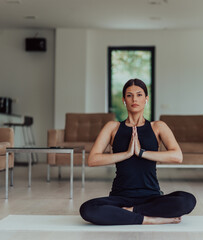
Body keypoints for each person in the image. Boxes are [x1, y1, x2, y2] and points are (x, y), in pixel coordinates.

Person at [79, 78, 196, 225]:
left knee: (187, 200)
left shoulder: (158, 127)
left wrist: (141, 152)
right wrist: (127, 154)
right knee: (87, 209)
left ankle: (131, 211)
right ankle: (147, 218)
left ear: (146, 99)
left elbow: (177, 156)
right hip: (120, 197)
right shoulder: (112, 127)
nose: (134, 99)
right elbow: (92, 160)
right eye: (129, 95)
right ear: (124, 100)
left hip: (151, 196)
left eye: (139, 95)